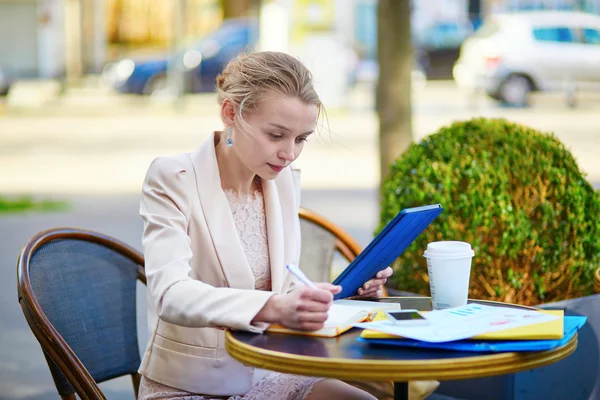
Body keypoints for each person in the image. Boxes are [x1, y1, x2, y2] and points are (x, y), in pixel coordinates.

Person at [137, 51, 393, 400]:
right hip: (189, 385)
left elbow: (285, 289)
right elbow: (170, 294)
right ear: (230, 113)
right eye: (276, 135)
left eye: (301, 138)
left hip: (272, 372)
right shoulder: (173, 178)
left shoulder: (283, 182)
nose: (289, 153)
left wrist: (343, 293)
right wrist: (274, 307)